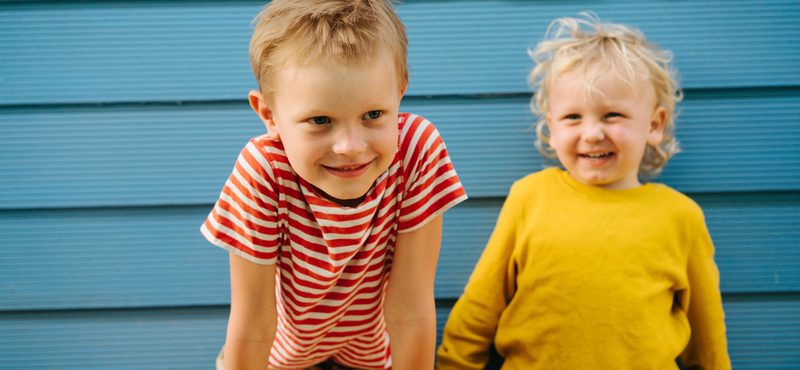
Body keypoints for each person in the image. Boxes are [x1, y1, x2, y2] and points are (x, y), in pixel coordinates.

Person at [436, 13, 730, 370]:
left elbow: (707, 337)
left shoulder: (680, 217)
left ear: (654, 125)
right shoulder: (530, 197)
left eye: (612, 115)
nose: (591, 133)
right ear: (552, 129)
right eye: (573, 117)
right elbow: (480, 306)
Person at [200, 1, 468, 369]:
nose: (351, 147)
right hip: (279, 353)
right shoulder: (263, 172)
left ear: (399, 93)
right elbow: (254, 326)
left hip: (373, 349)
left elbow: (409, 308)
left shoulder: (417, 151)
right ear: (269, 115)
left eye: (373, 115)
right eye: (320, 119)